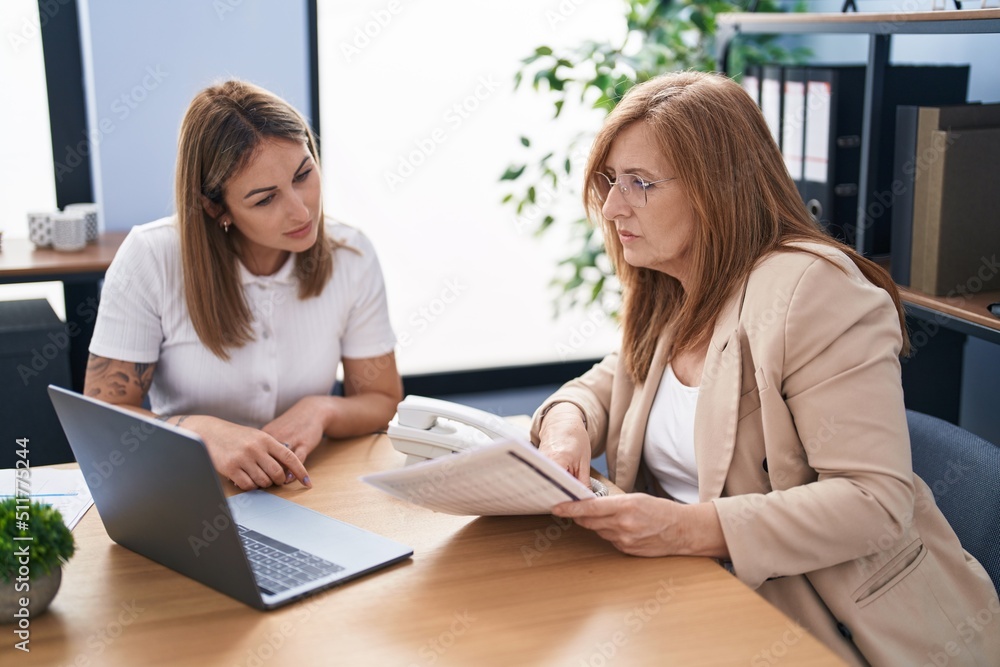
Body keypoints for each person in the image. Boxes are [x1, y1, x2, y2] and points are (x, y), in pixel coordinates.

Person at [531, 71, 1000, 665]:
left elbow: (874, 500)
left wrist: (685, 529)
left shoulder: (813, 291)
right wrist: (567, 420)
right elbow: (616, 377)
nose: (615, 206)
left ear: (716, 189)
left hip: (833, 632)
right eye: (612, 180)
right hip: (697, 600)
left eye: (641, 183)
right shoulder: (675, 282)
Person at [85, 80, 402, 491]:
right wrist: (200, 432)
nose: (300, 209)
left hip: (308, 488)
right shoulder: (151, 258)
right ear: (216, 207)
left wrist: (320, 410)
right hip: (190, 493)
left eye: (303, 174)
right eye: (265, 199)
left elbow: (381, 398)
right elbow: (102, 417)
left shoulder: (352, 256)